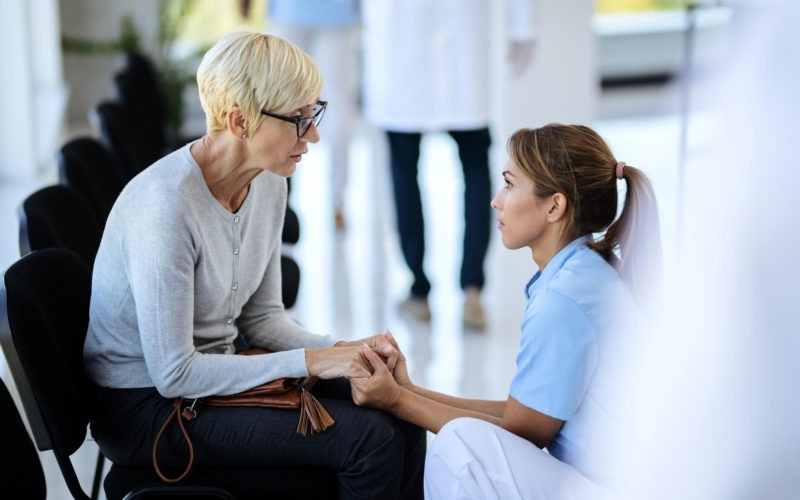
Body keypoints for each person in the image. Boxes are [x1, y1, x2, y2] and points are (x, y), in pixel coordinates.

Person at [83, 31, 425, 499]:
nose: (316, 135)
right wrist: (313, 361)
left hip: (216, 373)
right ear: (240, 122)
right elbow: (174, 373)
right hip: (147, 409)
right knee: (369, 440)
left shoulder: (269, 181)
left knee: (400, 412)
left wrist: (345, 352)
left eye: (314, 114)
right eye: (299, 119)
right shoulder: (164, 207)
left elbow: (261, 319)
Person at [349, 124, 661, 498]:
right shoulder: (584, 273)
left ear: (554, 206)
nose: (497, 200)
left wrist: (399, 401)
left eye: (510, 185)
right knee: (465, 437)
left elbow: (520, 433)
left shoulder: (564, 299)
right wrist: (409, 391)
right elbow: (520, 415)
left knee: (458, 447)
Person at [361, 0, 536, 329]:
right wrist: (522, 26)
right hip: (461, 45)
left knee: (405, 174)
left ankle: (418, 293)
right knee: (475, 172)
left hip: (402, 44)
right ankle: (473, 290)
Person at [242, 0, 360, 230]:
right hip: (338, 12)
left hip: (290, 11)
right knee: (338, 106)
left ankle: (274, 197)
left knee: (277, 102)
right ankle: (338, 202)